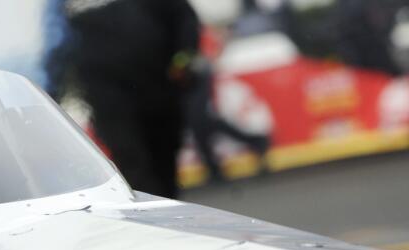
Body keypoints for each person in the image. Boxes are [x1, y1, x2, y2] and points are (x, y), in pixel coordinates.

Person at [55, 0, 202, 197]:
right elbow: (54, 40)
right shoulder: (58, 5)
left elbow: (184, 19)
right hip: (106, 95)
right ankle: (153, 217)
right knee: (132, 161)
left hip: (160, 86)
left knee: (164, 158)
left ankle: (169, 211)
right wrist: (57, 86)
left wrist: (183, 60)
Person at [184, 26, 270, 182]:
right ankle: (254, 143)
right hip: (184, 79)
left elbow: (210, 46)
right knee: (201, 122)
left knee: (198, 120)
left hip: (196, 77)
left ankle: (215, 166)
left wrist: (199, 62)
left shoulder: (185, 25)